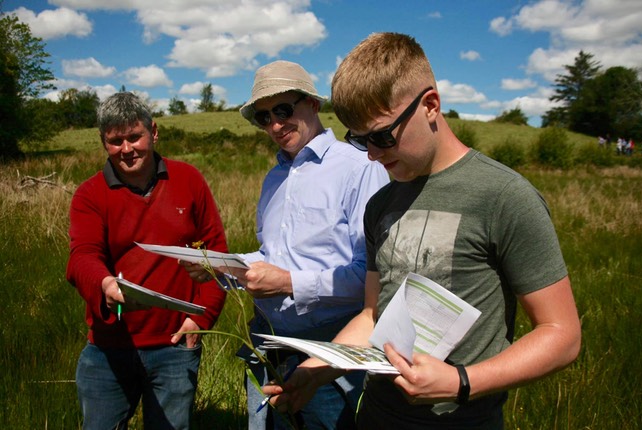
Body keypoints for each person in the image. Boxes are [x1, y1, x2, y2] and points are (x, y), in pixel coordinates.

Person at [263, 32, 581, 429]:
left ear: (430, 105)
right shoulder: (380, 204)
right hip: (378, 414)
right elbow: (372, 315)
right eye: (359, 140)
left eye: (381, 136)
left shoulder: (504, 196)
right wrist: (317, 370)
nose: (372, 155)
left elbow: (561, 334)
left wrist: (461, 382)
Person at [184, 60, 389, 429]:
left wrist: (286, 283)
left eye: (283, 110)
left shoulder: (359, 167)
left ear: (312, 103)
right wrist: (219, 266)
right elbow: (270, 256)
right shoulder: (274, 178)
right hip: (268, 343)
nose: (276, 125)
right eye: (264, 117)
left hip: (330, 350)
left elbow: (371, 277)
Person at [66, 91, 228, 430]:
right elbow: (83, 256)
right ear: (103, 142)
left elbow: (215, 253)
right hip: (108, 349)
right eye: (115, 141)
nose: (126, 149)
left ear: (153, 132)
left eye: (134, 137)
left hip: (174, 346)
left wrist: (203, 317)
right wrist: (105, 284)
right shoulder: (90, 194)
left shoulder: (188, 180)